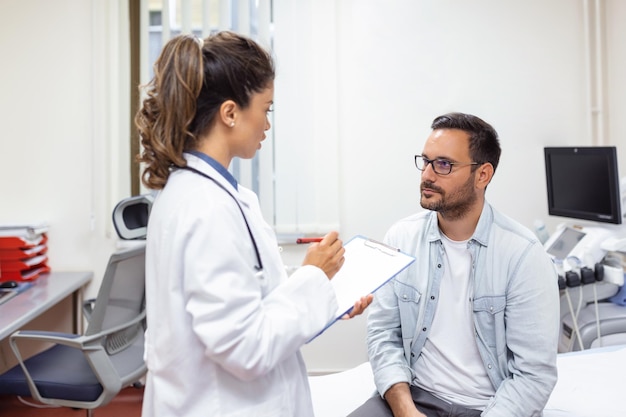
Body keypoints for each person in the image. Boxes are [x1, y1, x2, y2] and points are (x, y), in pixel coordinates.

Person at [135, 31, 372, 417]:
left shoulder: (215, 195)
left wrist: (323, 287)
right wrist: (312, 279)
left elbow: (252, 292)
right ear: (230, 113)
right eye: (266, 108)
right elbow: (245, 346)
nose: (267, 124)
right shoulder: (205, 208)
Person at [349, 112, 560, 417]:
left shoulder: (523, 255)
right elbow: (384, 335)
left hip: (488, 408)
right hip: (414, 397)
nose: (428, 175)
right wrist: (405, 409)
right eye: (426, 161)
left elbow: (534, 376)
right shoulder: (402, 238)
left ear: (483, 175)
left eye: (444, 164)